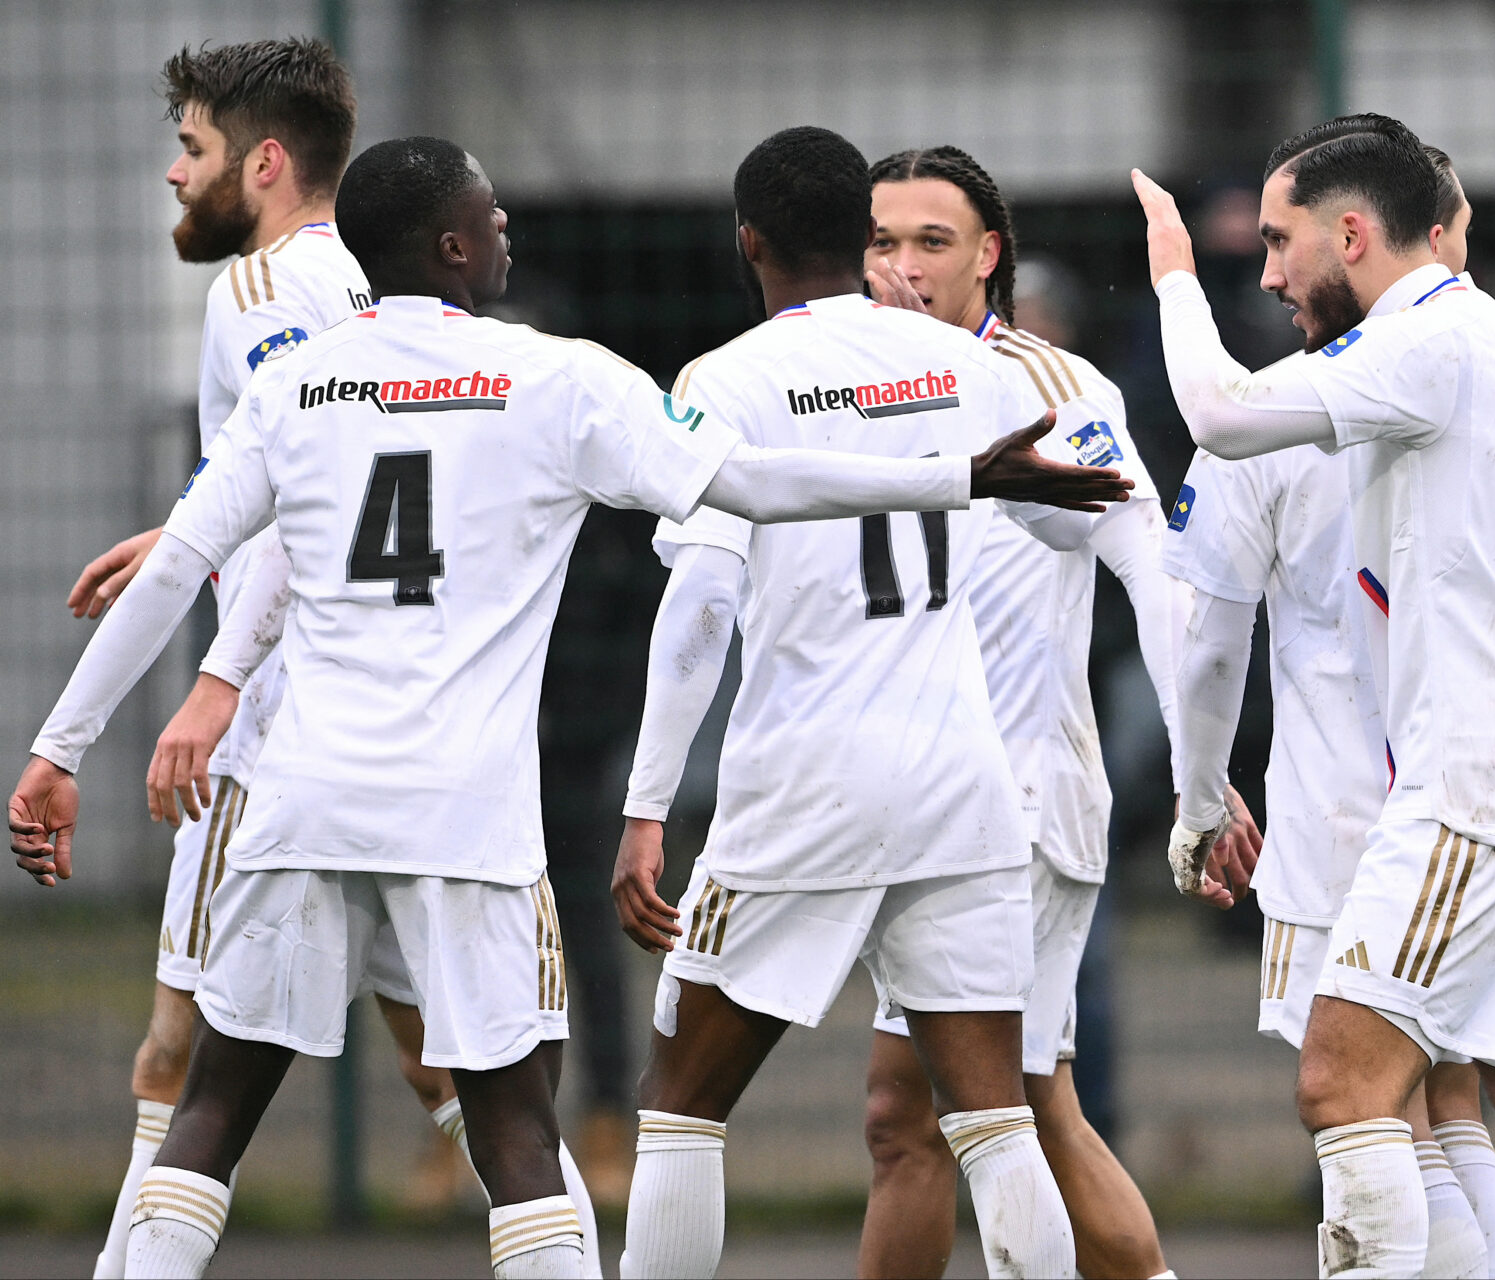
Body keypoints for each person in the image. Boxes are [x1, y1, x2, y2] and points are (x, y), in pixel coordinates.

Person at [9, 134, 1127, 1280]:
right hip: (474, 820)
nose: (509, 231)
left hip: (307, 799)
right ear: (452, 244)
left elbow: (179, 564)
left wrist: (59, 749)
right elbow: (748, 479)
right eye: (492, 217)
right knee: (521, 1128)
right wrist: (955, 476)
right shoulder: (558, 376)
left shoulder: (299, 381)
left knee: (210, 1112)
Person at [1135, 116, 1495, 1277]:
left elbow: (1218, 443)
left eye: (1281, 242)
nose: (1269, 270)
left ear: (1356, 231)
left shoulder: (1413, 349)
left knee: (1350, 1084)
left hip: (1453, 793)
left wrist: (1176, 275)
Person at [62, 40, 558, 1274]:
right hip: (404, 732)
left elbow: (296, 508)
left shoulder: (268, 288)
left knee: (185, 1050)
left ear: (265, 161)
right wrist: (184, 529)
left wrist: (218, 679)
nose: (174, 175)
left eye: (193, 148)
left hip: (292, 729)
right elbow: (321, 475)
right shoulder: (353, 283)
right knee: (452, 1070)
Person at [610, 126, 1124, 1280]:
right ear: (865, 239)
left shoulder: (726, 378)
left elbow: (699, 608)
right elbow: (1080, 523)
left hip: (808, 778)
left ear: (747, 241)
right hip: (962, 780)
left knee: (683, 1098)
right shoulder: (969, 367)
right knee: (994, 1113)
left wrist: (648, 805)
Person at [855, 145, 1208, 1280]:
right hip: (907, 803)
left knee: (998, 1111)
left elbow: (1152, 574)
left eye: (931, 243)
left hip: (1016, 802)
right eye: (882, 241)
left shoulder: (1054, 386)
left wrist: (1202, 774)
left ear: (988, 257)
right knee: (936, 1119)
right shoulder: (833, 377)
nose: (901, 267)